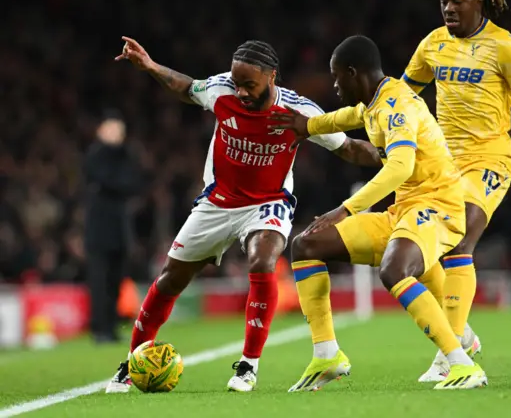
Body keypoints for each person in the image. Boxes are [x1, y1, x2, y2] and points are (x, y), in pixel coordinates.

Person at [105, 37, 381, 393]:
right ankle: (132, 362)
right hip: (218, 202)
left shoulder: (299, 112)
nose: (241, 92)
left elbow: (349, 149)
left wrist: (397, 151)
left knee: (262, 262)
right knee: (171, 278)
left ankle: (248, 366)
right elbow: (187, 88)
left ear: (272, 77)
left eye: (249, 84)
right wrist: (150, 66)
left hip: (268, 202)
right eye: (237, 83)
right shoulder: (221, 90)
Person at [270, 35, 488, 391]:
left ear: (354, 73)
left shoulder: (396, 106)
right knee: (306, 245)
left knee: (394, 270)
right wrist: (305, 127)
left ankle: (462, 365)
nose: (336, 85)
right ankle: (327, 355)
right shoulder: (372, 104)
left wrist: (346, 209)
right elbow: (345, 117)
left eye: (338, 77)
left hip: (438, 206)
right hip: (404, 211)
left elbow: (401, 167)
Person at [401, 0, 511, 382]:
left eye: (457, 0)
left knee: (461, 237)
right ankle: (462, 333)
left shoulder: (504, 46)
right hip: (441, 162)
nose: (449, 8)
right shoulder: (433, 44)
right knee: (422, 251)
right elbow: (403, 93)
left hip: (489, 160)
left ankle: (448, 352)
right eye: (444, 1)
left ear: (479, 1)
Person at [84, 112, 143, 343]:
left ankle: (111, 325)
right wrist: (119, 183)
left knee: (116, 280)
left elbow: (132, 183)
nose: (116, 135)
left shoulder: (126, 156)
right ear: (100, 131)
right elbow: (113, 181)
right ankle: (99, 328)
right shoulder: (95, 155)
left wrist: (116, 184)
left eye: (119, 131)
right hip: (99, 229)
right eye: (111, 130)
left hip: (120, 229)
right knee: (99, 279)